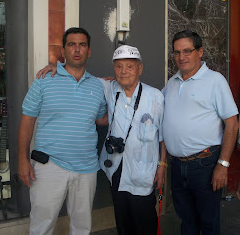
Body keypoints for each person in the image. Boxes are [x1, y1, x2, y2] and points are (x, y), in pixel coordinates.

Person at [37, 45, 167, 235]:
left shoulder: (155, 96)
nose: (124, 72)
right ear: (113, 69)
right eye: (119, 66)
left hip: (144, 171)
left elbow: (162, 136)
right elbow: (80, 76)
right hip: (116, 169)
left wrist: (162, 165)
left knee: (145, 221)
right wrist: (59, 68)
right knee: (123, 223)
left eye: (130, 67)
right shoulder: (108, 87)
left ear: (140, 69)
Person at [18, 27, 107, 235]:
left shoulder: (97, 86)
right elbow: (27, 121)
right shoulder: (44, 80)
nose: (77, 49)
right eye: (71, 44)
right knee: (42, 225)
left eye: (82, 45)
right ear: (63, 50)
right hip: (49, 165)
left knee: (82, 227)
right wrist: (22, 159)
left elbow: (102, 118)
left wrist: (119, 87)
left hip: (87, 168)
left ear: (89, 51)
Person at [162, 30, 239, 235]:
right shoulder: (171, 83)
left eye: (187, 51)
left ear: (200, 51)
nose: (181, 57)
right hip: (177, 166)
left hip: (205, 164)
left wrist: (223, 164)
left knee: (208, 222)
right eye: (177, 52)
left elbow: (232, 124)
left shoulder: (215, 81)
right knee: (186, 221)